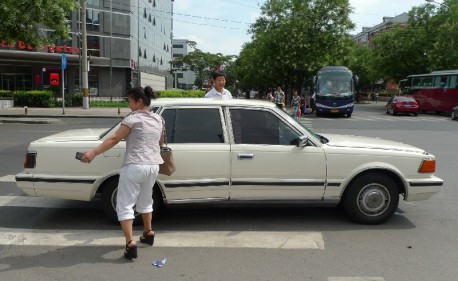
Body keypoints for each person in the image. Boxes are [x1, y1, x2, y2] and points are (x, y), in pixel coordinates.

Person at [80, 86, 163, 260]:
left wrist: (93, 153)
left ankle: (130, 243)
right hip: (153, 166)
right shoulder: (158, 119)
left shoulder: (133, 119)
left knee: (125, 204)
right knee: (146, 199)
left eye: (130, 102)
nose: (129, 106)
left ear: (139, 101)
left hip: (135, 165)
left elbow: (114, 138)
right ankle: (148, 233)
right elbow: (160, 142)